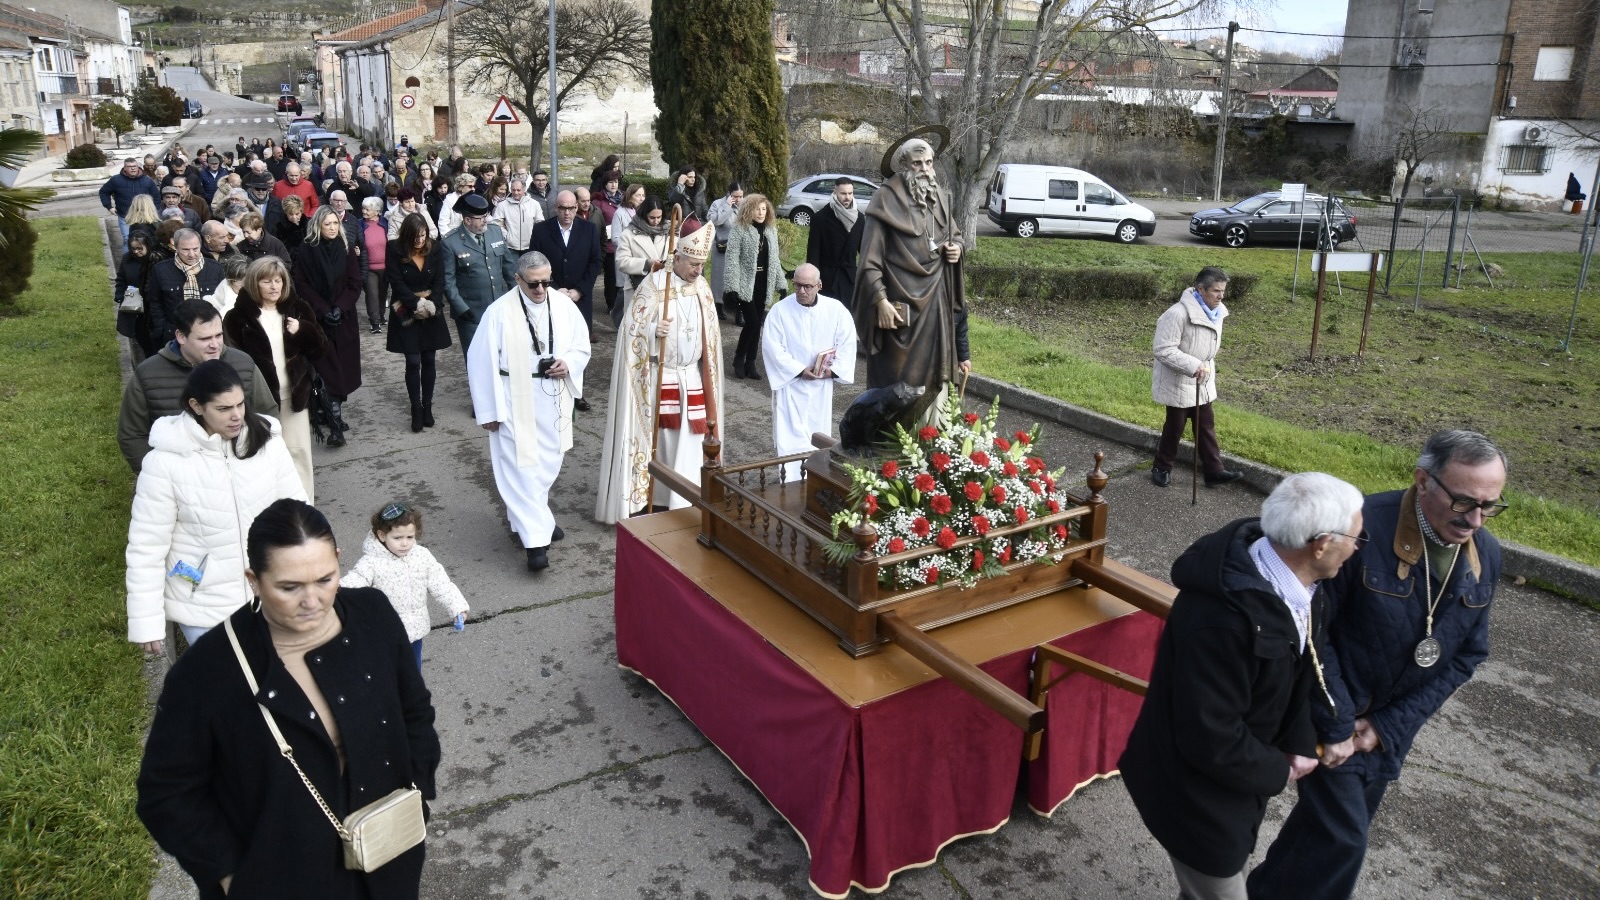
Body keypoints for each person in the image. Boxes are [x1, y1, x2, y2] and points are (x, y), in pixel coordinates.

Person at [1247, 431, 1509, 900]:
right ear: (1423, 480)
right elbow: (1310, 626)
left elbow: (1469, 653)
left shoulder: (1484, 554)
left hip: (1386, 730)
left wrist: (1386, 726)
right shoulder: (1362, 531)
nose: (1475, 519)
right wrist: (1342, 724)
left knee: (1322, 835)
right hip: (1329, 713)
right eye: (1464, 501)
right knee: (1342, 841)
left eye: (1491, 505)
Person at [137, 498, 440, 900]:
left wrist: (418, 790)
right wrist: (231, 875)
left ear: (338, 559)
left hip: (388, 855)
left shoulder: (373, 613)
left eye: (326, 579)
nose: (312, 600)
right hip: (281, 878)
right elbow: (166, 792)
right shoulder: (207, 672)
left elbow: (414, 709)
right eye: (289, 587)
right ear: (254, 579)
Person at [1121, 472, 1366, 900]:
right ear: (1321, 543)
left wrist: (1301, 740)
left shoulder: (1309, 587)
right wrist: (1278, 770)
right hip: (1193, 798)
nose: (1357, 549)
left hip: (1234, 788)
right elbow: (1208, 734)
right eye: (1355, 539)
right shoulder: (1220, 620)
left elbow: (1304, 669)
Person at [125, 360, 307, 654]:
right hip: (204, 609)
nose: (237, 416)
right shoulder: (164, 463)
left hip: (271, 597)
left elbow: (299, 515)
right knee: (229, 693)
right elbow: (146, 546)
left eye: (240, 405)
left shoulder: (268, 443)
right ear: (196, 406)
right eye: (223, 409)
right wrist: (147, 621)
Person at [466, 251, 591, 571]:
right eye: (533, 283)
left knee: (549, 462)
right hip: (512, 397)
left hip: (552, 395)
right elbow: (479, 362)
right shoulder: (499, 312)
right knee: (521, 467)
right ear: (517, 279)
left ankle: (535, 519)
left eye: (546, 282)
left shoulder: (563, 305)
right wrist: (488, 410)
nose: (540, 290)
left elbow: (581, 345)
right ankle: (536, 542)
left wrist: (570, 363)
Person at [595, 221, 722, 523]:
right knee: (664, 438)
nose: (698, 271)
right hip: (659, 375)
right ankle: (657, 496)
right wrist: (653, 331)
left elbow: (712, 336)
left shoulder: (702, 287)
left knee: (692, 438)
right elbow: (630, 332)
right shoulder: (654, 286)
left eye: (702, 265)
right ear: (677, 258)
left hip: (691, 375)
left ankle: (687, 497)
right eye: (693, 264)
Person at [853, 137, 971, 428]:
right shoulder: (885, 199)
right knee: (898, 383)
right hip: (900, 307)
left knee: (934, 378)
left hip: (936, 307)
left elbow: (953, 235)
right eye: (917, 163)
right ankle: (888, 443)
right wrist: (879, 299)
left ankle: (929, 442)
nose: (924, 169)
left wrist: (956, 248)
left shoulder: (939, 197)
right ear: (903, 166)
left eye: (929, 163)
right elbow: (869, 260)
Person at [120, 299, 279, 472]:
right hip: (179, 482)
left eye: (218, 336)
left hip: (240, 474)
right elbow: (131, 435)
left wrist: (256, 463)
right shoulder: (148, 374)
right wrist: (156, 474)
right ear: (181, 336)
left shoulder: (243, 364)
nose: (215, 345)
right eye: (205, 338)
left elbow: (268, 414)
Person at [226, 256, 328, 496]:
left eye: (278, 281)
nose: (274, 287)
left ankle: (303, 509)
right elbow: (233, 362)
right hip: (258, 401)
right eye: (266, 281)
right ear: (254, 283)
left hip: (295, 396)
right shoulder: (237, 318)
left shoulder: (297, 309)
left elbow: (321, 350)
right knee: (263, 457)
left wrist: (303, 331)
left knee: (299, 454)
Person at [341, 502, 468, 669]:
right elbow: (355, 581)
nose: (405, 543)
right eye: (397, 538)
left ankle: (412, 694)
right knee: (387, 674)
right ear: (381, 535)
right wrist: (332, 591)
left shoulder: (422, 556)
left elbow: (441, 584)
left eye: (410, 537)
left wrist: (457, 607)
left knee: (413, 672)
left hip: (415, 631)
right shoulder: (371, 562)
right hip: (384, 634)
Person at [761, 263, 857, 480]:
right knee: (790, 439)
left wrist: (831, 371)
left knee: (817, 435)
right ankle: (790, 480)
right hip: (792, 386)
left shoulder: (836, 310)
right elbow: (772, 347)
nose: (801, 291)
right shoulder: (780, 311)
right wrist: (799, 369)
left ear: (819, 285)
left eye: (807, 286)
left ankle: (814, 479)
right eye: (797, 285)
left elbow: (847, 343)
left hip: (820, 388)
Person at [1151, 266, 1243, 488]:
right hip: (1179, 378)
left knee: (1205, 426)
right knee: (1175, 426)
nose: (1221, 296)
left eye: (1223, 291)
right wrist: (1193, 365)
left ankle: (1213, 471)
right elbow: (1163, 349)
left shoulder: (1217, 311)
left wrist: (1204, 368)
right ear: (1200, 289)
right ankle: (1161, 467)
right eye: (1216, 291)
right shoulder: (1176, 314)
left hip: (1202, 378)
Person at [387, 213, 452, 431]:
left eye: (423, 236)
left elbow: (440, 279)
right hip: (406, 309)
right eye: (415, 237)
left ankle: (427, 407)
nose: (420, 241)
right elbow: (395, 281)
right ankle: (415, 408)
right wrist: (416, 304)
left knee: (430, 360)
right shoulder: (394, 248)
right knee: (413, 361)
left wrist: (432, 304)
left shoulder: (435, 248)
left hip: (431, 310)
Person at [441, 192, 518, 361]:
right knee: (477, 359)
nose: (485, 220)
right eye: (480, 217)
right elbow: (448, 282)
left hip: (499, 308)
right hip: (471, 313)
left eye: (486, 215)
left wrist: (519, 295)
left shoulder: (495, 232)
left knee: (503, 358)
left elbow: (509, 268)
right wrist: (461, 309)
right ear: (467, 220)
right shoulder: (450, 242)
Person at [529, 189, 604, 359]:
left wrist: (580, 290)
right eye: (563, 208)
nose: (567, 212)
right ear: (556, 208)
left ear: (577, 208)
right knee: (551, 345)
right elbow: (535, 262)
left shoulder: (589, 229)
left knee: (579, 347)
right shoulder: (541, 230)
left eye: (571, 208)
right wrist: (553, 289)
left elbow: (595, 262)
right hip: (549, 297)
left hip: (580, 299)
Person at [722, 192, 783, 381]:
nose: (761, 212)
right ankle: (740, 359)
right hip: (745, 283)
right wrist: (732, 286)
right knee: (753, 323)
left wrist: (781, 283)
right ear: (749, 209)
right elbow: (732, 259)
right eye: (757, 209)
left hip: (763, 283)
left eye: (764, 209)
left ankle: (750, 362)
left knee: (755, 325)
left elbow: (775, 260)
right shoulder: (740, 229)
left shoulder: (770, 231)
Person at [148, 228, 225, 347]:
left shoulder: (216, 269)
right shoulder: (161, 270)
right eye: (185, 250)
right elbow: (155, 302)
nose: (191, 254)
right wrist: (161, 328)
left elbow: (222, 302)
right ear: (176, 248)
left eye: (195, 249)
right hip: (172, 334)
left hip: (208, 335)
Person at [806, 177, 864, 301]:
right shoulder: (820, 218)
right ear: (835, 192)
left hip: (850, 280)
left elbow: (864, 252)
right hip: (826, 280)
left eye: (850, 193)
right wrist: (813, 279)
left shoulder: (860, 219)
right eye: (843, 193)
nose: (847, 197)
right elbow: (813, 253)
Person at [613, 196, 669, 328]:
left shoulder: (669, 232)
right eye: (652, 218)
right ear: (644, 215)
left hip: (663, 288)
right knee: (637, 331)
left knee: (659, 330)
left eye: (659, 217)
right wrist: (646, 263)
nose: (656, 221)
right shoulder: (628, 233)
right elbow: (621, 261)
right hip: (637, 289)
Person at [115, 231, 159, 363]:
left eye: (140, 248)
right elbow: (121, 279)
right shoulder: (127, 260)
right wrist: (120, 295)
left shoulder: (155, 259)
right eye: (133, 248)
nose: (136, 252)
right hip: (136, 305)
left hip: (153, 305)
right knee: (142, 335)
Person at [101, 157, 162, 243]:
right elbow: (104, 192)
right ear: (125, 168)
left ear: (138, 167)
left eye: (134, 166)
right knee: (128, 240)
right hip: (125, 216)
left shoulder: (147, 180)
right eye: (129, 166)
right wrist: (109, 207)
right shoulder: (116, 180)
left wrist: (154, 211)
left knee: (146, 240)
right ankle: (127, 256)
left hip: (144, 217)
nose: (132, 168)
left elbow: (156, 196)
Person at [705, 181, 742, 320]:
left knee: (739, 278)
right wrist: (727, 207)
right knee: (719, 277)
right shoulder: (718, 204)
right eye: (735, 196)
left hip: (739, 247)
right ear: (729, 194)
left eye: (740, 196)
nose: (738, 199)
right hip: (722, 246)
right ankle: (718, 305)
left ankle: (738, 308)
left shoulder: (744, 204)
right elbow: (713, 221)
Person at [590, 174, 622, 316]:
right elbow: (596, 221)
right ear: (605, 184)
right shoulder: (599, 202)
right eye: (610, 182)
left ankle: (620, 303)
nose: (613, 185)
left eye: (615, 182)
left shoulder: (623, 198)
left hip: (623, 244)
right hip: (608, 245)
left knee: (622, 276)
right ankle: (611, 304)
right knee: (611, 277)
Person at [359, 196, 390, 333]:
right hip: (369, 267)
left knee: (383, 294)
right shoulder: (360, 224)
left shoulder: (385, 223)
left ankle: (381, 315)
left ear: (377, 211)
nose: (364, 211)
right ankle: (375, 322)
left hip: (386, 266)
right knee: (372, 294)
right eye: (363, 208)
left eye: (367, 209)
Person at [494, 174, 543, 254]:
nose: (516, 192)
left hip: (530, 246)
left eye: (518, 190)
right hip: (510, 247)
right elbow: (497, 224)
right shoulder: (502, 205)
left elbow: (540, 223)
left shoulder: (534, 204)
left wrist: (533, 236)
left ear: (524, 189)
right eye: (513, 190)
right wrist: (507, 236)